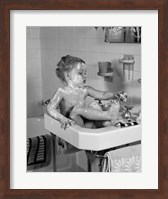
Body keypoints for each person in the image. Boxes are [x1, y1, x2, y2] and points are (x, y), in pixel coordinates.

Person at [47, 55, 127, 129]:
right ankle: (108, 115)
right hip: (73, 125)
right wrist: (62, 119)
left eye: (85, 73)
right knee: (76, 109)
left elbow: (102, 94)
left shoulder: (85, 90)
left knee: (94, 105)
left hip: (86, 126)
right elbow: (50, 108)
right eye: (80, 73)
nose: (84, 76)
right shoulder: (62, 92)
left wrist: (115, 95)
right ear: (68, 75)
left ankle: (107, 122)